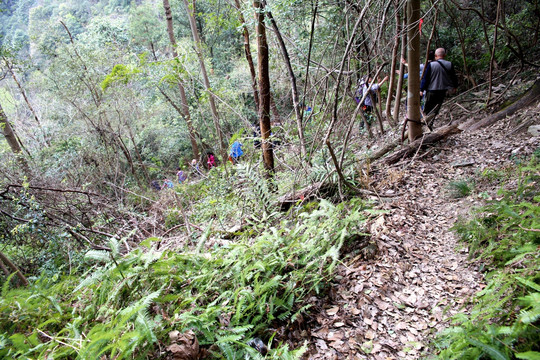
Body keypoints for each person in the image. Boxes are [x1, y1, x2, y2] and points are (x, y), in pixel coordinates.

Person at [420, 48, 458, 128]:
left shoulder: (431, 65)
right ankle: (429, 124)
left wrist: (421, 89)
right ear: (444, 55)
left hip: (431, 90)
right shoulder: (449, 64)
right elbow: (453, 77)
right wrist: (455, 86)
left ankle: (425, 125)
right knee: (436, 108)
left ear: (436, 55)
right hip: (442, 90)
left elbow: (425, 78)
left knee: (427, 108)